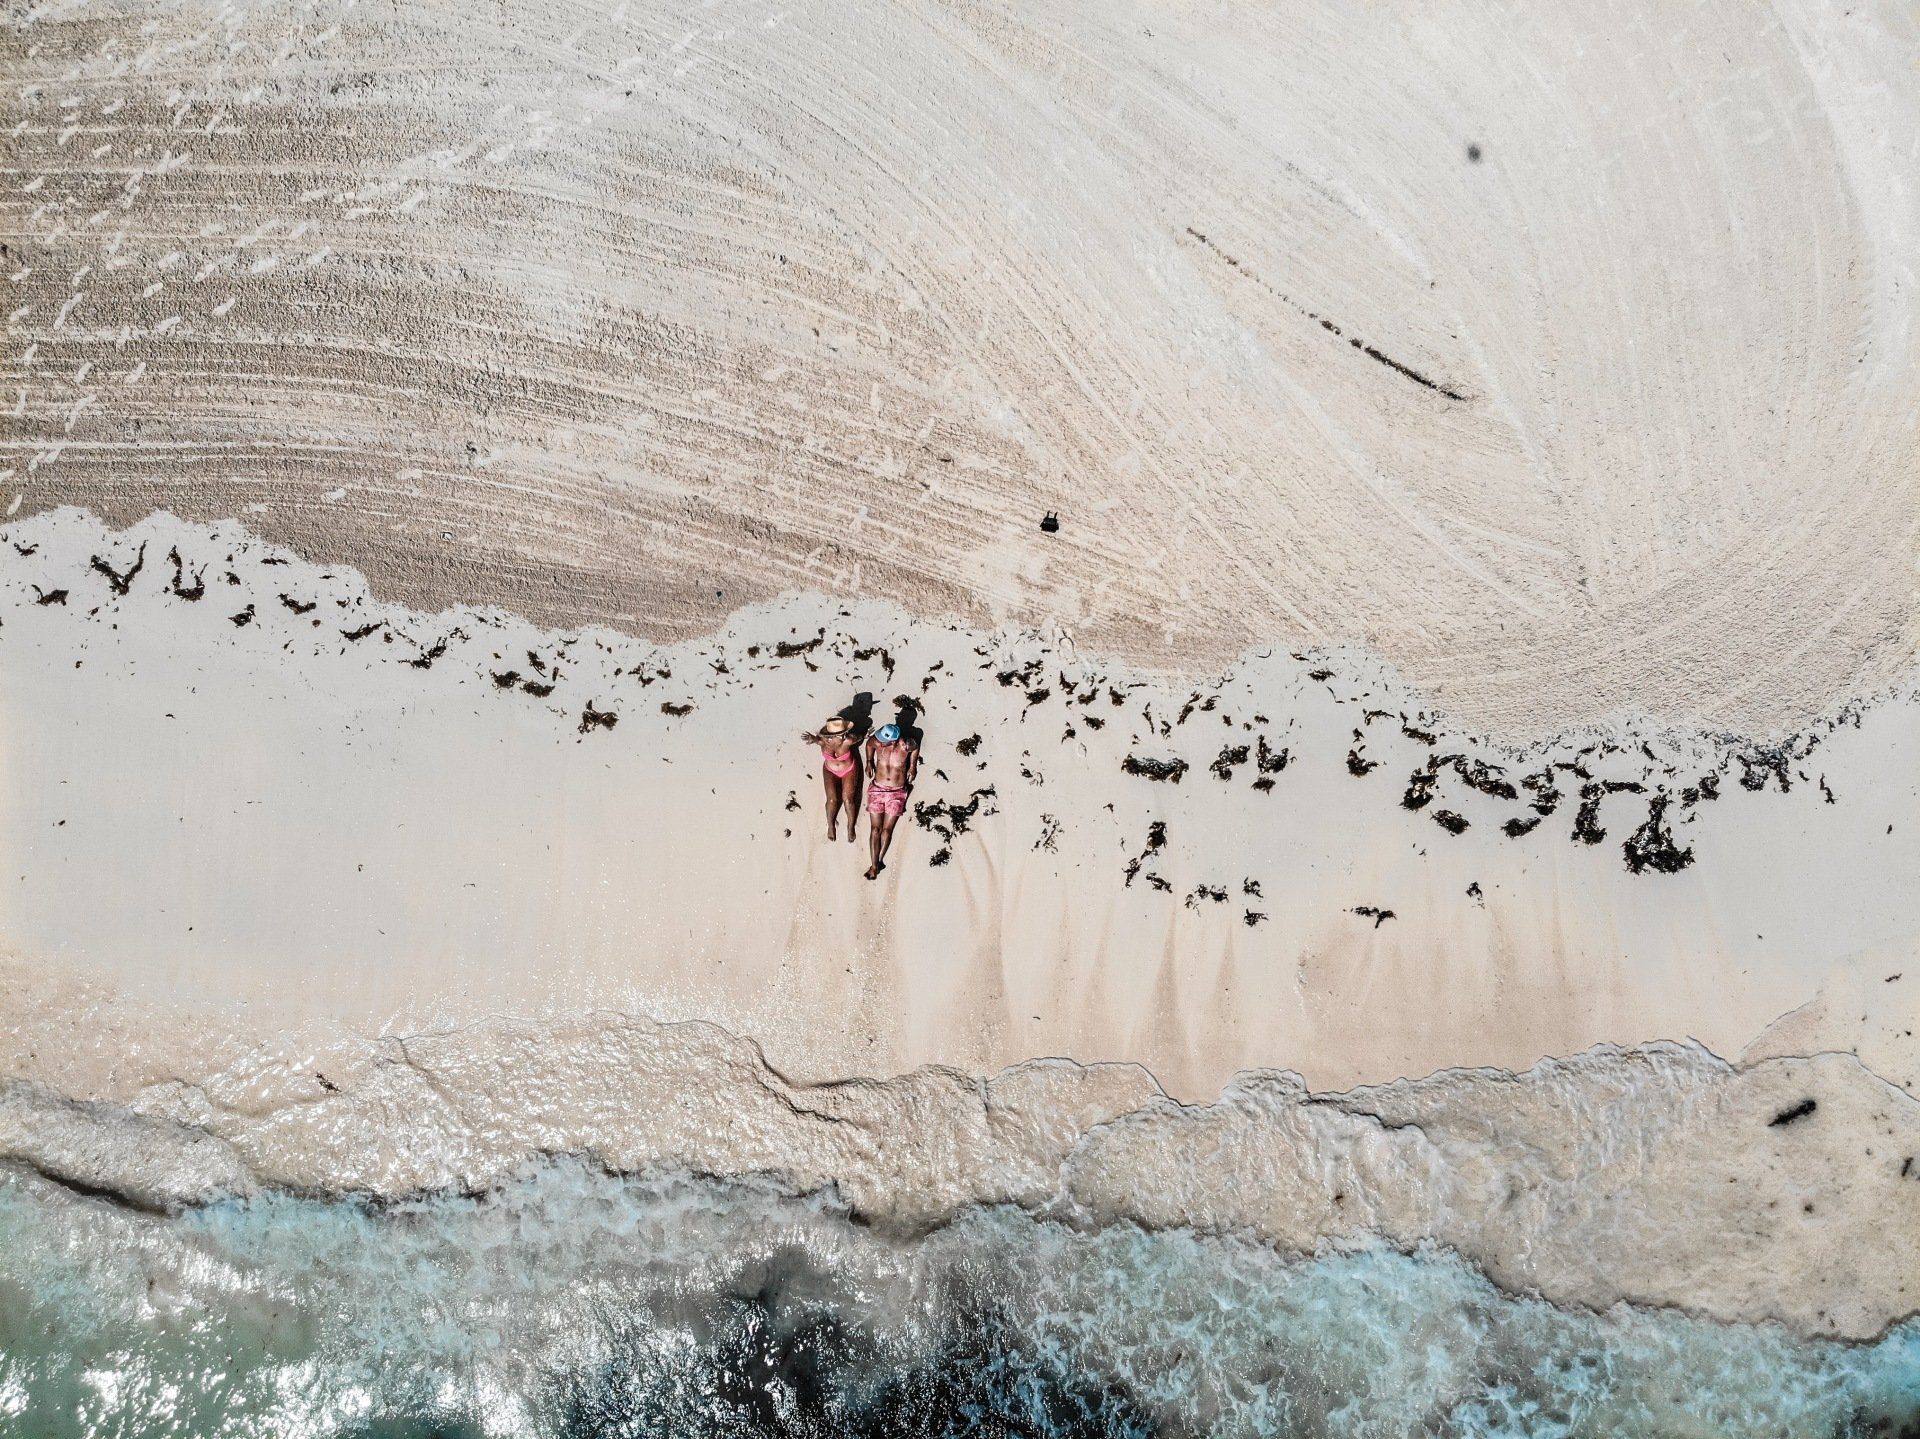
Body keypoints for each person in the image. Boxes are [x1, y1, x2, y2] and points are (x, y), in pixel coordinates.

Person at [863, 722, 918, 880]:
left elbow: (916, 747)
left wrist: (912, 766)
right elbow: (869, 744)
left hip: (897, 792)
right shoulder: (878, 741)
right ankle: (874, 865)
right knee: (875, 829)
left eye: (885, 741)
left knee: (887, 830)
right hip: (877, 788)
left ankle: (879, 861)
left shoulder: (905, 745)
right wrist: (869, 761)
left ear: (894, 741)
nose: (881, 742)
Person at [800, 716, 862, 842]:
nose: (841, 737)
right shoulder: (823, 741)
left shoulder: (848, 741)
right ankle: (831, 825)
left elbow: (859, 737)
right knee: (832, 800)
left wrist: (863, 735)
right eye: (839, 734)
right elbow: (817, 740)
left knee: (848, 800)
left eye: (842, 734)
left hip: (848, 769)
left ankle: (851, 827)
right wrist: (812, 738)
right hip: (830, 770)